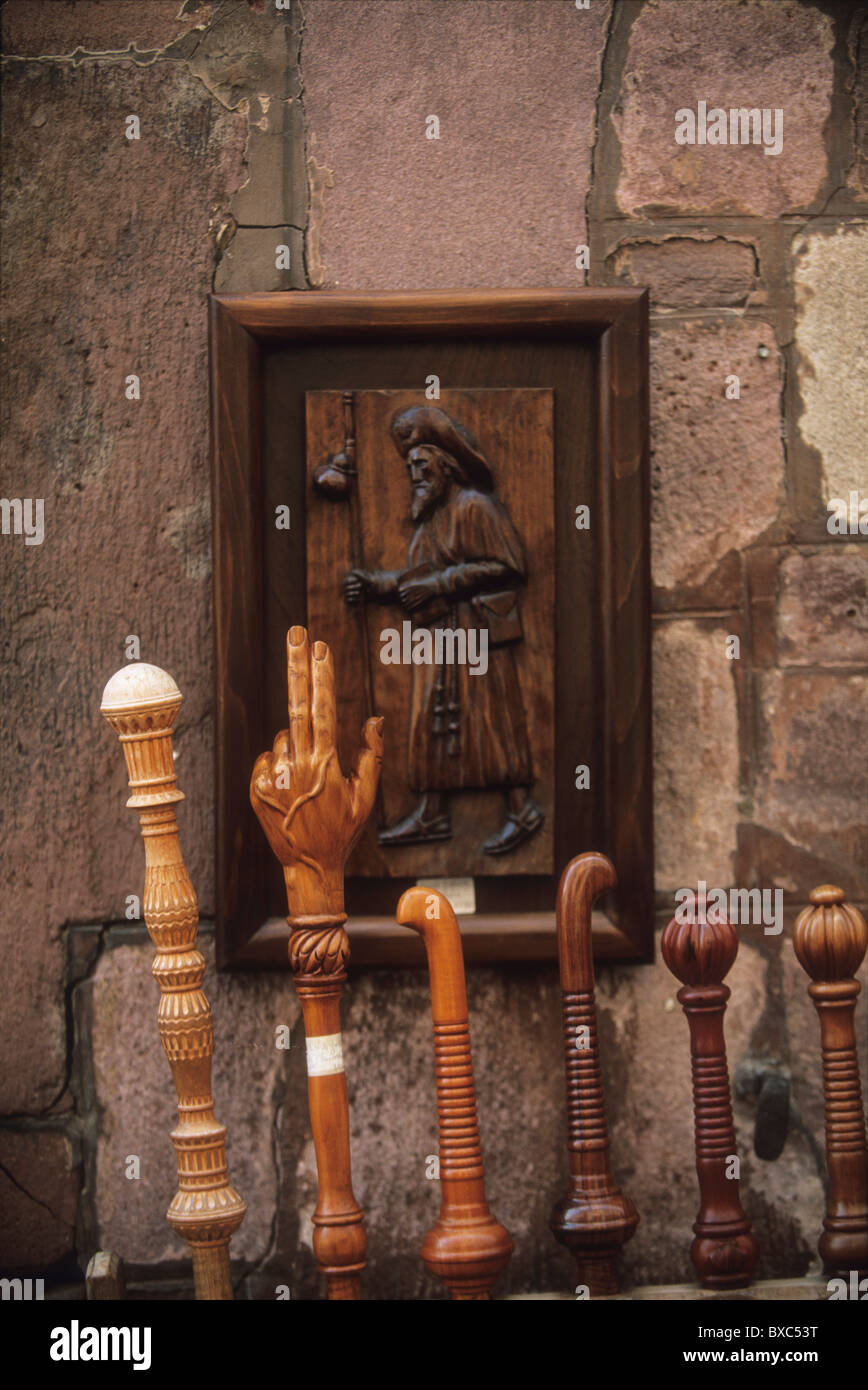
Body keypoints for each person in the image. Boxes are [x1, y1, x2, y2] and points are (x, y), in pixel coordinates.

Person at [344, 404, 543, 855]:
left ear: (446, 466)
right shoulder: (432, 519)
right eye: (409, 466)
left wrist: (441, 582)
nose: (413, 474)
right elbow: (419, 576)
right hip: (442, 638)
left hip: (478, 639)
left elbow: (509, 565)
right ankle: (433, 814)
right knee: (432, 726)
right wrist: (375, 584)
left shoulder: (475, 507)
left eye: (421, 465)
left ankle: (522, 809)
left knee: (488, 724)